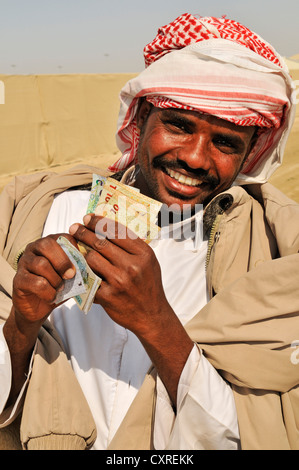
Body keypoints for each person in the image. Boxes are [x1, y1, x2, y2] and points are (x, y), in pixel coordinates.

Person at [0, 13, 298, 450]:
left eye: (225, 143)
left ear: (250, 154)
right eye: (179, 126)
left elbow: (244, 434)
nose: (196, 158)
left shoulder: (268, 255)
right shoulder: (47, 211)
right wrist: (22, 323)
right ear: (141, 120)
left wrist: (155, 322)